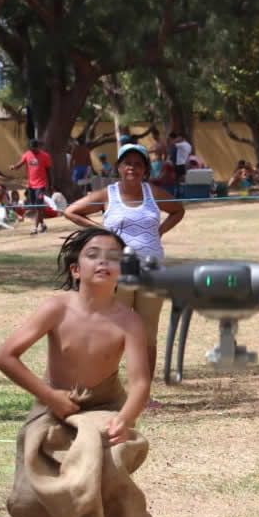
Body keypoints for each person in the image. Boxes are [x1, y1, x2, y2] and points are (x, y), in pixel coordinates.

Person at [0, 227, 170, 517]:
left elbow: (141, 383)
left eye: (113, 256)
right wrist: (50, 398)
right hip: (54, 403)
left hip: (105, 408)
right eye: (94, 254)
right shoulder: (57, 307)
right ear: (76, 269)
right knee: (28, 498)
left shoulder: (129, 321)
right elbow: (5, 355)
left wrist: (125, 418)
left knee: (107, 474)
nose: (104, 261)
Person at [64, 143, 184, 388]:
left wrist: (157, 233)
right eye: (127, 163)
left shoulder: (153, 193)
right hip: (119, 272)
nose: (132, 168)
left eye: (138, 164)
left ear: (145, 169)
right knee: (113, 329)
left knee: (148, 333)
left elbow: (178, 210)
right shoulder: (109, 194)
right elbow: (72, 211)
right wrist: (101, 230)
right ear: (119, 167)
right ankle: (106, 388)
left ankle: (144, 392)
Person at [9, 140, 53, 234]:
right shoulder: (27, 154)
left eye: (34, 148)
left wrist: (51, 185)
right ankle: (43, 225)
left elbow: (49, 171)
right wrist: (14, 167)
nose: (32, 150)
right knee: (35, 207)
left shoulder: (45, 156)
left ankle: (35, 228)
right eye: (31, 148)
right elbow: (20, 163)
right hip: (31, 186)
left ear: (38, 147)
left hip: (41, 185)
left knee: (39, 206)